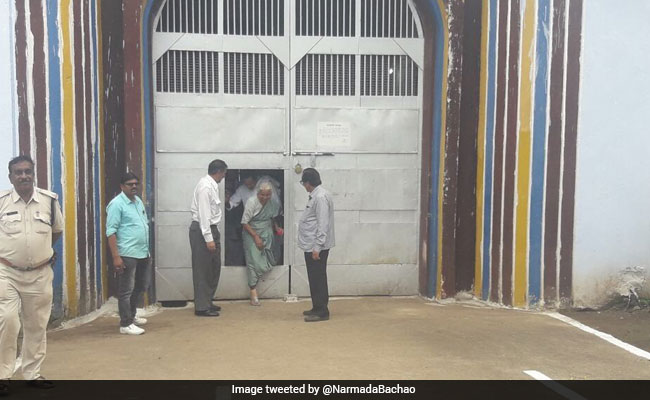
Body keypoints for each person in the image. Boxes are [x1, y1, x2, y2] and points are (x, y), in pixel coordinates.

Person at [0, 155, 63, 392]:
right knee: (7, 321)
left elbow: (56, 231)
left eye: (28, 171)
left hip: (39, 274)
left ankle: (32, 373)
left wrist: (43, 253)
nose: (24, 176)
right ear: (11, 177)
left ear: (33, 174)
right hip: (6, 272)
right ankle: (3, 376)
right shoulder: (2, 202)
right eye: (19, 172)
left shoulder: (48, 201)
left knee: (36, 324)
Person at [106, 172, 151, 335]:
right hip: (127, 253)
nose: (134, 186)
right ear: (122, 186)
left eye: (136, 184)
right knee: (126, 290)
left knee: (140, 286)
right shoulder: (116, 204)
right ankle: (125, 323)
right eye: (129, 184)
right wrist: (116, 257)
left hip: (142, 252)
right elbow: (111, 232)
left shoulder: (137, 201)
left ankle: (131, 315)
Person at [190, 159, 227, 317]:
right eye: (224, 173)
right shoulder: (205, 187)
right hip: (203, 230)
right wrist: (208, 238)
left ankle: (207, 300)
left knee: (213, 268)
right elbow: (204, 214)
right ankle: (202, 307)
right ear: (218, 172)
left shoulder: (212, 185)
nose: (224, 176)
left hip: (210, 229)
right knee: (203, 269)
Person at [298, 168, 335, 322]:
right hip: (312, 244)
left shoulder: (320, 197)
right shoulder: (317, 195)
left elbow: (323, 223)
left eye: (303, 183)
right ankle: (317, 306)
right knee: (314, 277)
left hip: (316, 246)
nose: (304, 186)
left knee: (318, 277)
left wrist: (317, 247)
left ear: (308, 183)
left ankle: (322, 311)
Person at [241, 183, 283, 305]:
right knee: (253, 260)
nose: (265, 197)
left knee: (269, 256)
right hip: (252, 233)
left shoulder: (272, 203)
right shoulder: (252, 202)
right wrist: (255, 237)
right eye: (262, 195)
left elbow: (272, 218)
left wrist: (277, 228)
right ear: (258, 193)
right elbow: (244, 222)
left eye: (268, 195)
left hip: (267, 232)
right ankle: (253, 291)